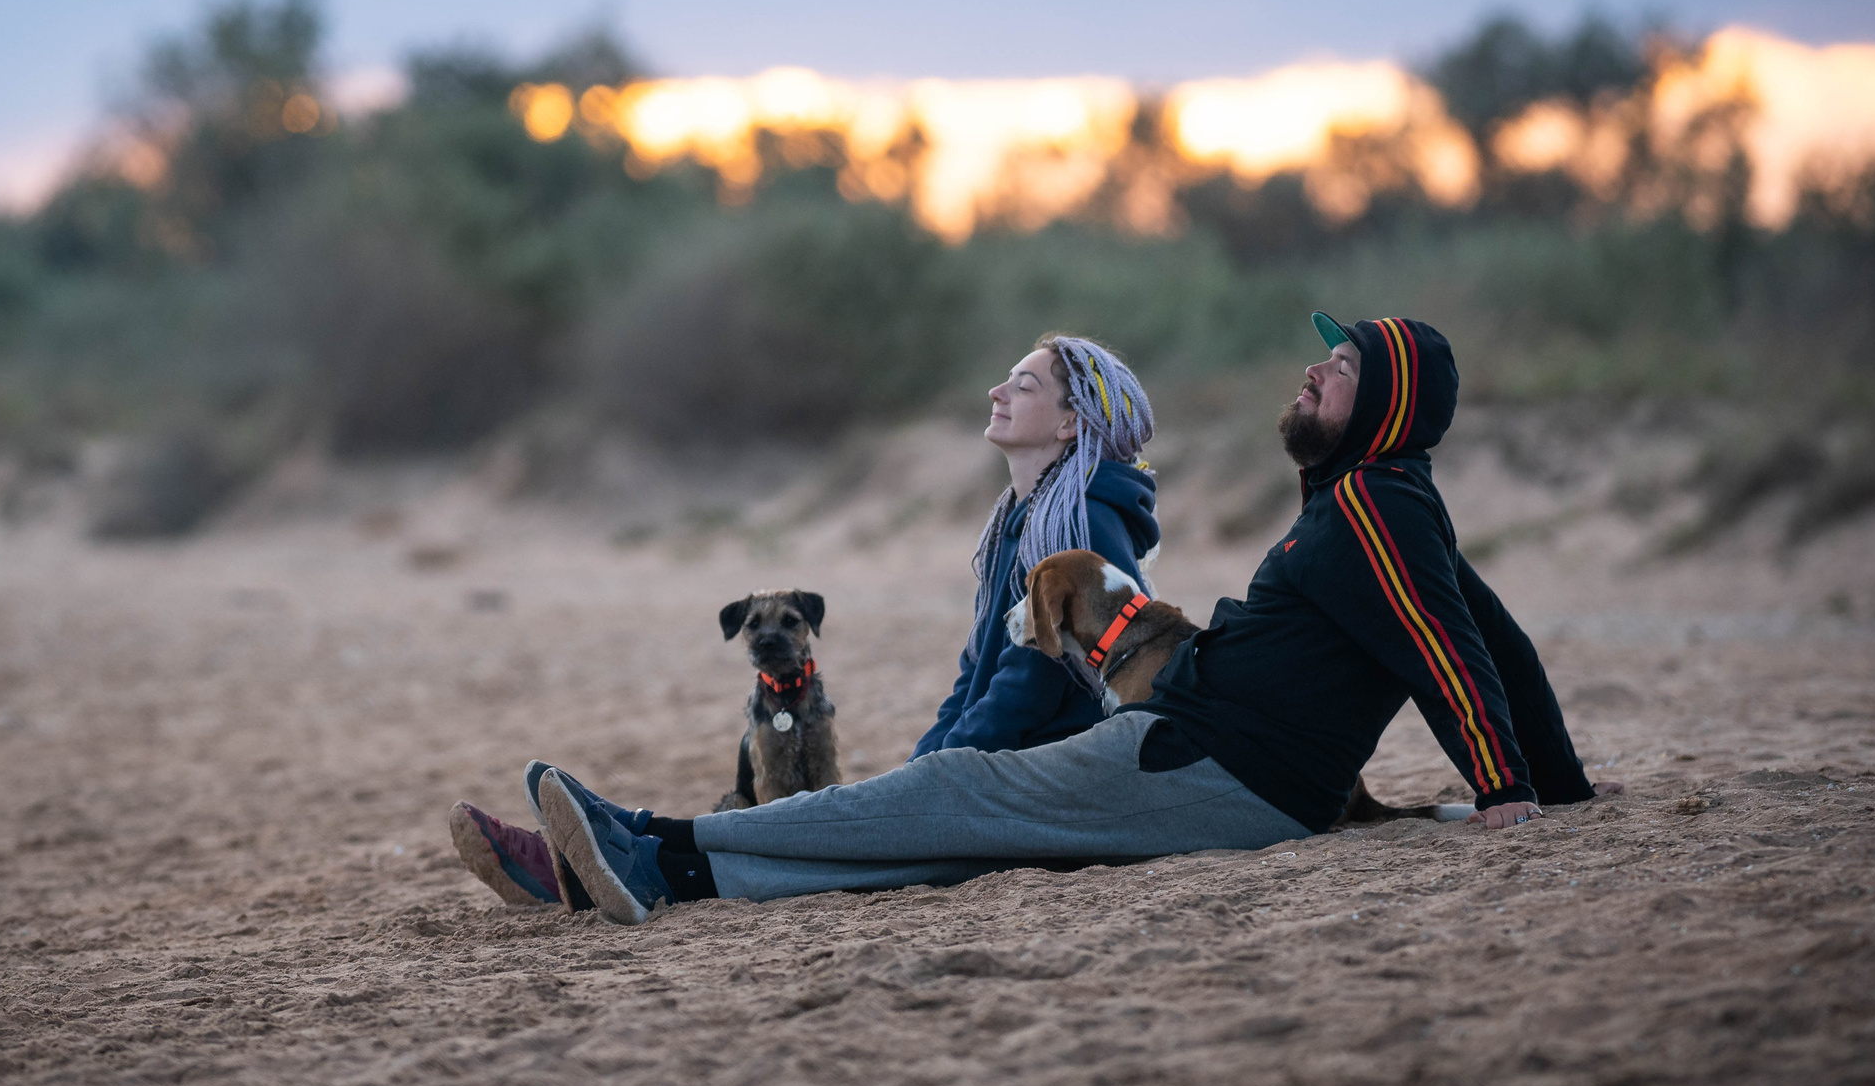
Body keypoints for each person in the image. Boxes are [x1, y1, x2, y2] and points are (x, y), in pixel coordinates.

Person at [524, 311, 1623, 925]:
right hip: (1192, 747)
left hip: (1211, 762)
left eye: (1334, 371)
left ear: (1381, 405)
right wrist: (1558, 786)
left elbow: (1450, 654)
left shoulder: (1377, 503)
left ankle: (660, 850)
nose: (1308, 372)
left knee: (955, 794)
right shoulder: (1367, 507)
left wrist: (1507, 795)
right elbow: (1500, 643)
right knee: (958, 826)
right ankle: (676, 864)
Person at [444, 334, 1161, 909]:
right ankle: (610, 852)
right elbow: (976, 673)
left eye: (1025, 384)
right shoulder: (1022, 521)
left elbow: (1031, 687)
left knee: (846, 831)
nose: (998, 391)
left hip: (1043, 780)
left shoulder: (1086, 524)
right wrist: (927, 765)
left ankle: (638, 849)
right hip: (995, 765)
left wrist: (937, 777)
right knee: (849, 817)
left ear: (1071, 422)